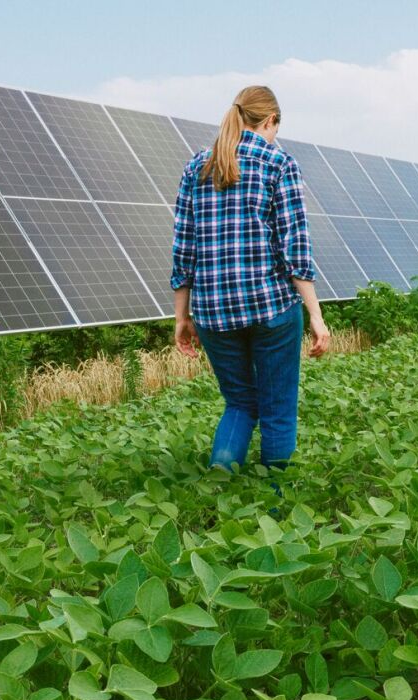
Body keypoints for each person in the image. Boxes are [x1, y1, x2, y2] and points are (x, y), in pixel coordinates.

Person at [170, 85, 331, 474]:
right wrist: (316, 315)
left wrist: (182, 317)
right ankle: (275, 503)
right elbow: (295, 247)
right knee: (277, 409)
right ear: (270, 121)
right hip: (271, 307)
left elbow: (183, 249)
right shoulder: (279, 163)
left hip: (212, 314)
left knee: (240, 404)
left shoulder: (197, 166)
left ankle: (219, 491)